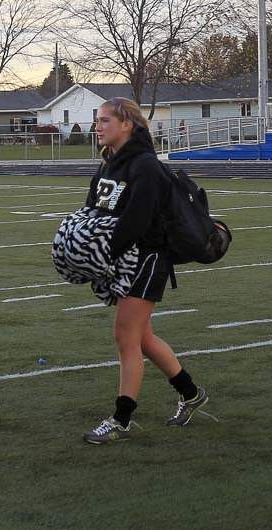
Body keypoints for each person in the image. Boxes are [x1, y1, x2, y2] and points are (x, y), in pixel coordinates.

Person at [79, 97, 208, 445]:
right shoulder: (109, 163)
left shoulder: (145, 166)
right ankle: (191, 393)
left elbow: (137, 221)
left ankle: (121, 419)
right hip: (122, 259)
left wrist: (102, 254)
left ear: (127, 124)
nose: (98, 126)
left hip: (148, 258)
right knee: (143, 338)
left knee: (125, 336)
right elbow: (92, 209)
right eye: (98, 120)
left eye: (105, 120)